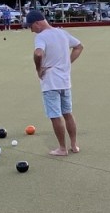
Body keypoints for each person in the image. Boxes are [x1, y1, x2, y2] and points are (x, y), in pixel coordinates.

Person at [26, 9, 83, 157]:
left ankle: (62, 149)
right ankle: (74, 145)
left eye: (31, 26)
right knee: (68, 114)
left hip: (50, 82)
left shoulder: (41, 36)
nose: (31, 30)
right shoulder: (62, 33)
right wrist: (67, 62)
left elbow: (38, 53)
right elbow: (79, 47)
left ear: (37, 23)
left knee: (55, 116)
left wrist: (38, 69)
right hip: (65, 81)